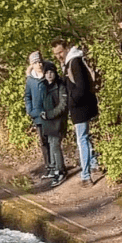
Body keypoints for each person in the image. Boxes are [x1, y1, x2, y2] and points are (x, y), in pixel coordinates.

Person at [53, 39, 101, 186]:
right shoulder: (69, 62)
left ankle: (86, 176)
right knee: (86, 138)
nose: (59, 56)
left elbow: (81, 87)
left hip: (80, 108)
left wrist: (70, 102)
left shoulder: (74, 63)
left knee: (82, 140)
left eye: (60, 52)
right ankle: (94, 165)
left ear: (67, 48)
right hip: (82, 107)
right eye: (56, 54)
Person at [39, 61, 69, 186]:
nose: (49, 75)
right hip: (48, 122)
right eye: (47, 72)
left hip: (58, 121)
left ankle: (61, 171)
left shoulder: (61, 86)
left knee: (56, 146)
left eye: (51, 72)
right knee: (51, 145)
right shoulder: (44, 86)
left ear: (55, 73)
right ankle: (55, 168)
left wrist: (50, 114)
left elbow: (63, 105)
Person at [24, 51, 52, 175]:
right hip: (38, 115)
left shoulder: (49, 75)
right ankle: (48, 165)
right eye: (35, 62)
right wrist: (30, 110)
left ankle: (56, 165)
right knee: (43, 142)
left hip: (51, 113)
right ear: (32, 65)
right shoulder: (30, 80)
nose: (38, 64)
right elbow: (27, 96)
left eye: (40, 62)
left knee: (54, 140)